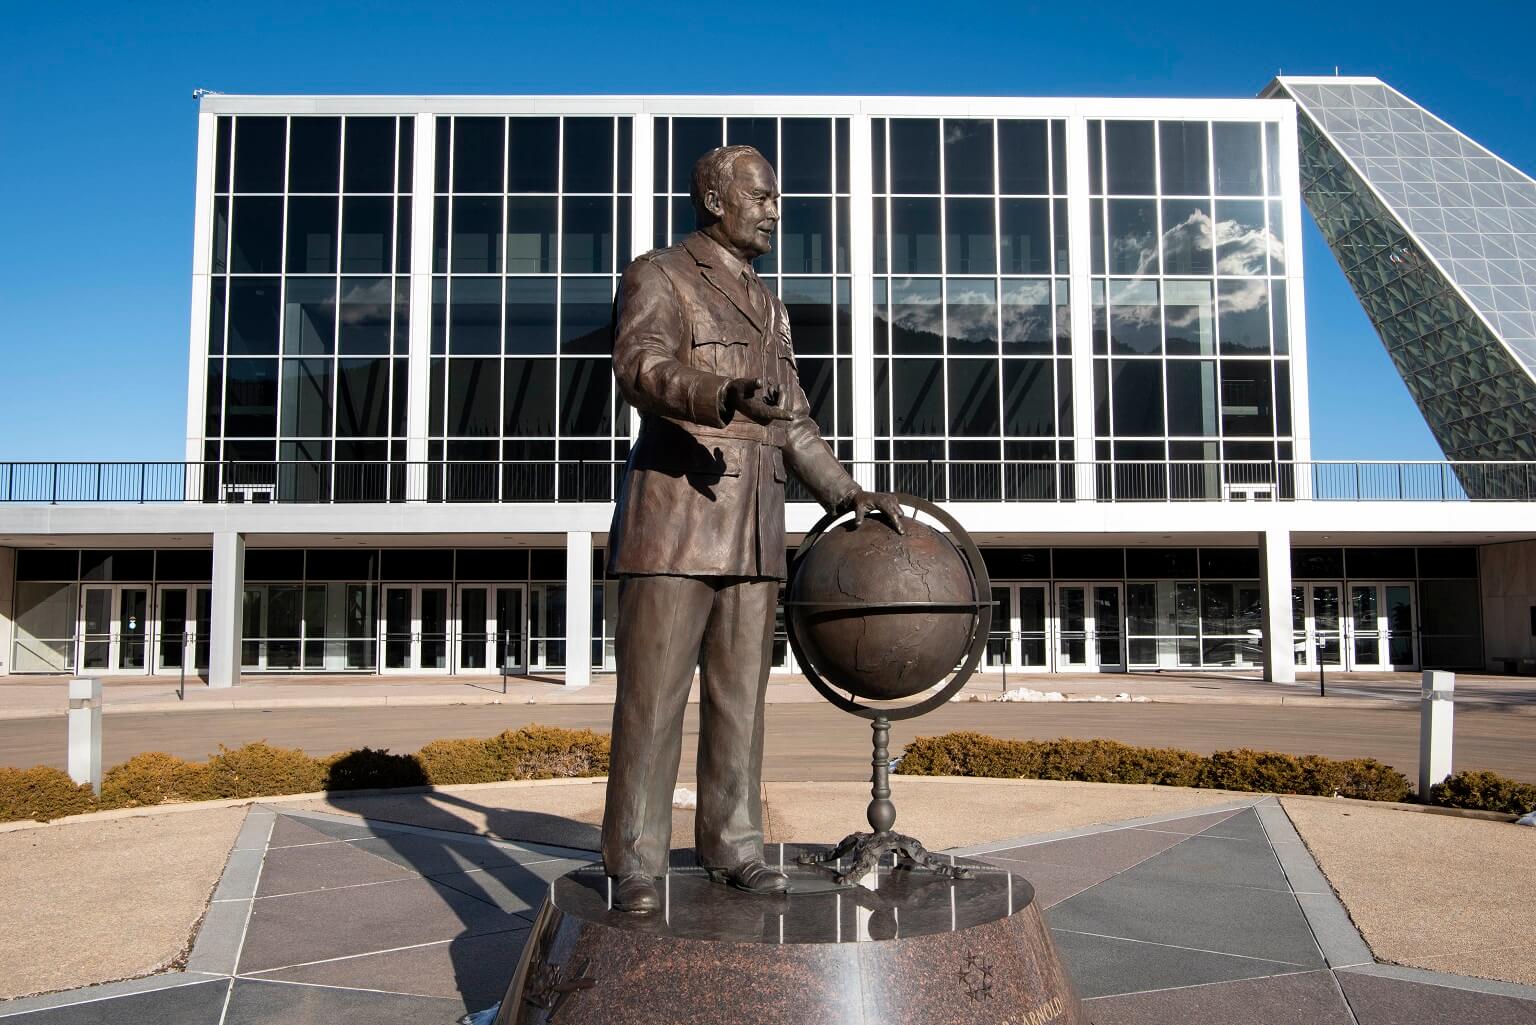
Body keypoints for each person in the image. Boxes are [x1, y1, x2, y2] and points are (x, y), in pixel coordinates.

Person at [601, 144, 902, 913]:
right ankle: (634, 858)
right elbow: (639, 365)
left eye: (776, 198)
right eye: (762, 196)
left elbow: (793, 416)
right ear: (714, 198)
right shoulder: (661, 274)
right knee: (653, 702)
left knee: (741, 702)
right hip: (675, 521)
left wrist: (845, 492)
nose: (775, 210)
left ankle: (733, 844)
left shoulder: (767, 301)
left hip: (755, 526)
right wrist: (721, 392)